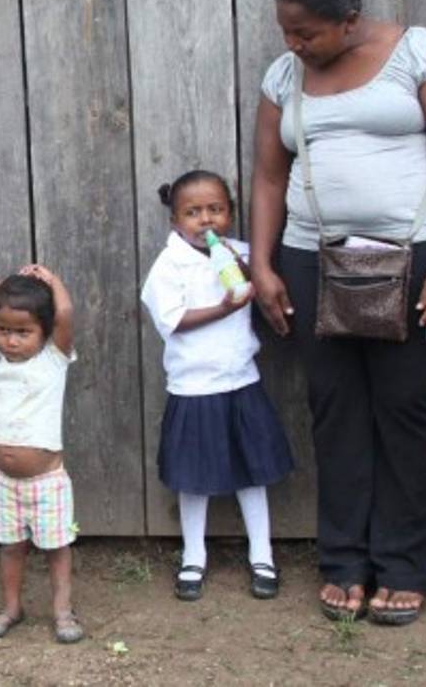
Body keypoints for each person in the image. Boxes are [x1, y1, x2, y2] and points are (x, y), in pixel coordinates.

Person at [249, 0, 426, 625]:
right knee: (334, 408)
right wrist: (262, 264)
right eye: (286, 31)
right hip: (311, 258)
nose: (293, 44)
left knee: (404, 408)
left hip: (411, 258)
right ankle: (344, 559)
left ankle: (403, 564)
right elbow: (268, 176)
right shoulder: (284, 74)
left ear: (350, 21)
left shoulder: (419, 55)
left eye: (307, 32)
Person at [140, 170, 294, 602]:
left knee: (252, 473)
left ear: (230, 213)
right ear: (175, 220)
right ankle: (193, 555)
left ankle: (262, 554)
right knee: (194, 479)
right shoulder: (169, 264)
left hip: (241, 380)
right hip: (194, 387)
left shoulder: (239, 252)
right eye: (193, 213)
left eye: (215, 210)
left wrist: (241, 264)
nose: (205, 220)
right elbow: (172, 320)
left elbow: (261, 285)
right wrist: (224, 308)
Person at [0, 266, 82, 644]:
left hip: (47, 482)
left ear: (44, 332)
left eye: (23, 332)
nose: (11, 340)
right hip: (3, 482)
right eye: (4, 330)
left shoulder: (54, 359)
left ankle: (63, 612)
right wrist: (7, 282)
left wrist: (52, 279)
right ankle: (11, 608)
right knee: (10, 548)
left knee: (56, 548)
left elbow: (64, 313)